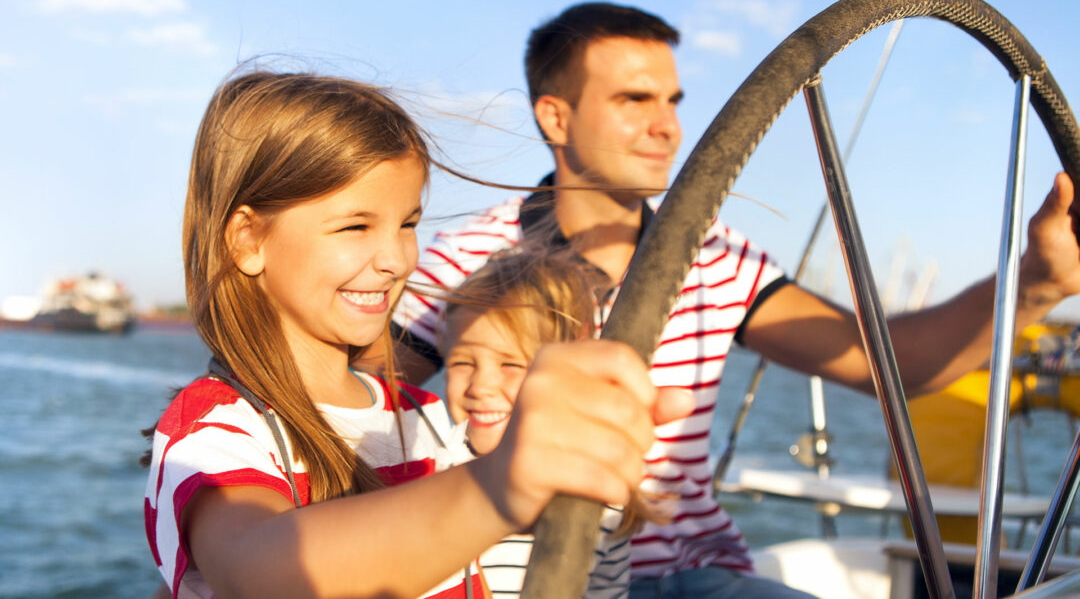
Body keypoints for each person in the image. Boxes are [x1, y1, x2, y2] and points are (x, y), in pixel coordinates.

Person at [389, 2, 1080, 598]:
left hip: (689, 575)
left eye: (673, 102)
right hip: (527, 573)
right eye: (634, 100)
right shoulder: (462, 261)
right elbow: (355, 412)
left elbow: (893, 365)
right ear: (555, 115)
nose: (667, 126)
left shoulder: (717, 255)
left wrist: (1037, 277)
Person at [142, 70, 693, 599]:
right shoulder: (215, 427)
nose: (396, 258)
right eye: (356, 226)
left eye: (408, 223)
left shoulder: (427, 419)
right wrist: (497, 485)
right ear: (247, 240)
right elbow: (260, 571)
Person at [440, 249, 652, 598]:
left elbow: (607, 592)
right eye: (462, 362)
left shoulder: (604, 493)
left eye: (511, 365)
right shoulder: (426, 473)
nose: (480, 387)